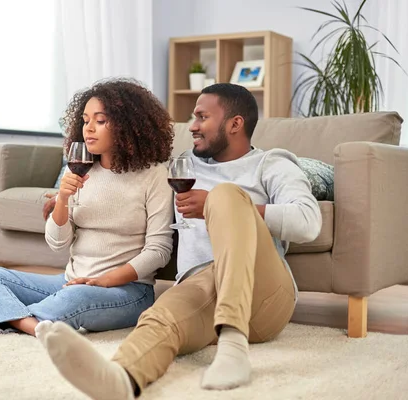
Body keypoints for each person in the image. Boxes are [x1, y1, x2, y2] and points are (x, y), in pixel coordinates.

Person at [35, 83, 322, 397]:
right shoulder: (181, 165)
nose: (193, 126)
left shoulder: (271, 164)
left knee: (225, 196)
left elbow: (308, 223)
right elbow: (126, 179)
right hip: (200, 285)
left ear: (235, 124)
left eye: (202, 118)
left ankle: (233, 343)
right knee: (160, 315)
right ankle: (121, 378)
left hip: (265, 294)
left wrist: (217, 204)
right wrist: (63, 200)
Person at [0, 78, 175, 336]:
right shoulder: (80, 171)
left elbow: (159, 250)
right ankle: (30, 321)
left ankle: (0, 311)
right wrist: (62, 199)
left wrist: (105, 280)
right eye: (85, 121)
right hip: (69, 282)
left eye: (100, 120)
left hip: (126, 291)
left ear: (129, 125)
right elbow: (57, 243)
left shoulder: (154, 175)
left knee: (74, 300)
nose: (89, 129)